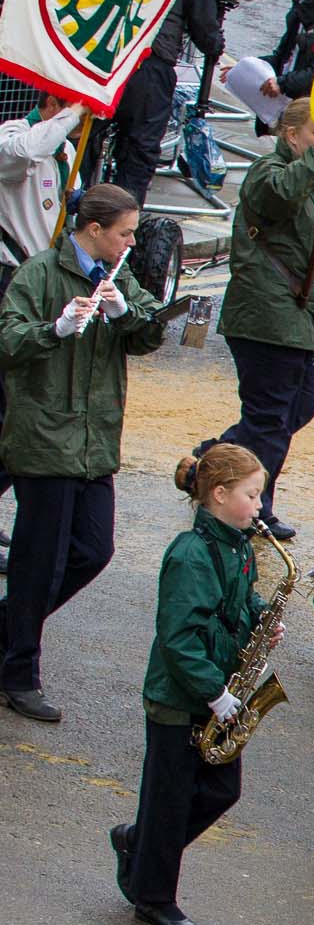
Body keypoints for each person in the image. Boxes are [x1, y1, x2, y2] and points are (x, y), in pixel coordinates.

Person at [0, 184, 164, 723]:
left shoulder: (118, 276)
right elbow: (9, 342)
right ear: (94, 231)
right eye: (124, 233)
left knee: (93, 549)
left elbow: (148, 334)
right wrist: (54, 329)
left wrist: (126, 314)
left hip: (94, 441)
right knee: (37, 563)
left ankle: (9, 630)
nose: (131, 243)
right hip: (45, 436)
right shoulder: (40, 274)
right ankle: (19, 672)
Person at [111, 445, 273, 925]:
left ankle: (140, 845)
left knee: (222, 790)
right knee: (169, 800)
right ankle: (153, 896)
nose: (261, 508)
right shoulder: (189, 554)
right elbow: (179, 637)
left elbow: (240, 603)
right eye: (252, 496)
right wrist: (215, 694)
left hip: (217, 691)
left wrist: (263, 615)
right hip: (180, 700)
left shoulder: (239, 546)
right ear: (219, 495)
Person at [203, 99, 314, 539]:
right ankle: (256, 507)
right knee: (270, 420)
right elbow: (280, 196)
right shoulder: (268, 173)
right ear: (290, 136)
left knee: (300, 408)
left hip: (304, 317)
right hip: (266, 316)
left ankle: (214, 457)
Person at [0, 89, 87, 579]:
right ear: (52, 103)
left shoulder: (65, 150)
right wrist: (76, 109)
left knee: (21, 405)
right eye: (71, 111)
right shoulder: (14, 136)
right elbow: (26, 152)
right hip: (7, 279)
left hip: (41, 284)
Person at [96, 0, 221, 205]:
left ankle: (72, 215)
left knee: (83, 137)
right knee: (139, 151)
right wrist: (214, 44)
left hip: (103, 53)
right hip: (150, 63)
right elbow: (203, 23)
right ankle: (121, 226)